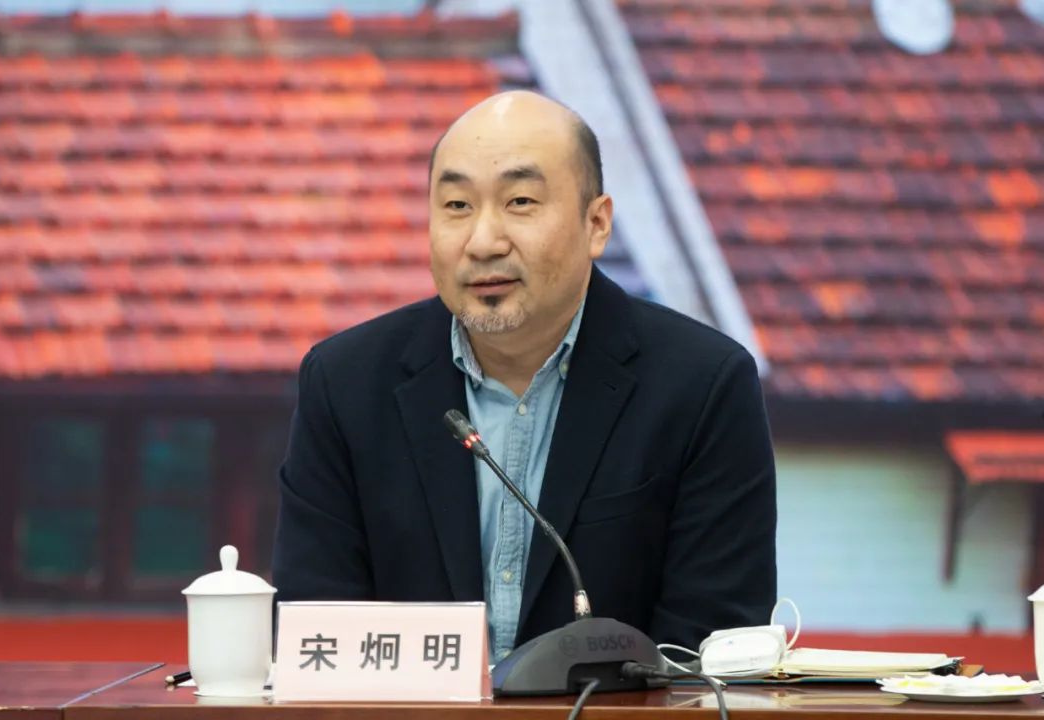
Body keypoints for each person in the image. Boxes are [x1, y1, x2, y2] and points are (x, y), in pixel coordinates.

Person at [272, 91, 776, 664]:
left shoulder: (703, 386)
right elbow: (314, 632)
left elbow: (709, 653)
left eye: (520, 201)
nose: (483, 242)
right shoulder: (345, 385)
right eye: (457, 206)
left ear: (596, 223)